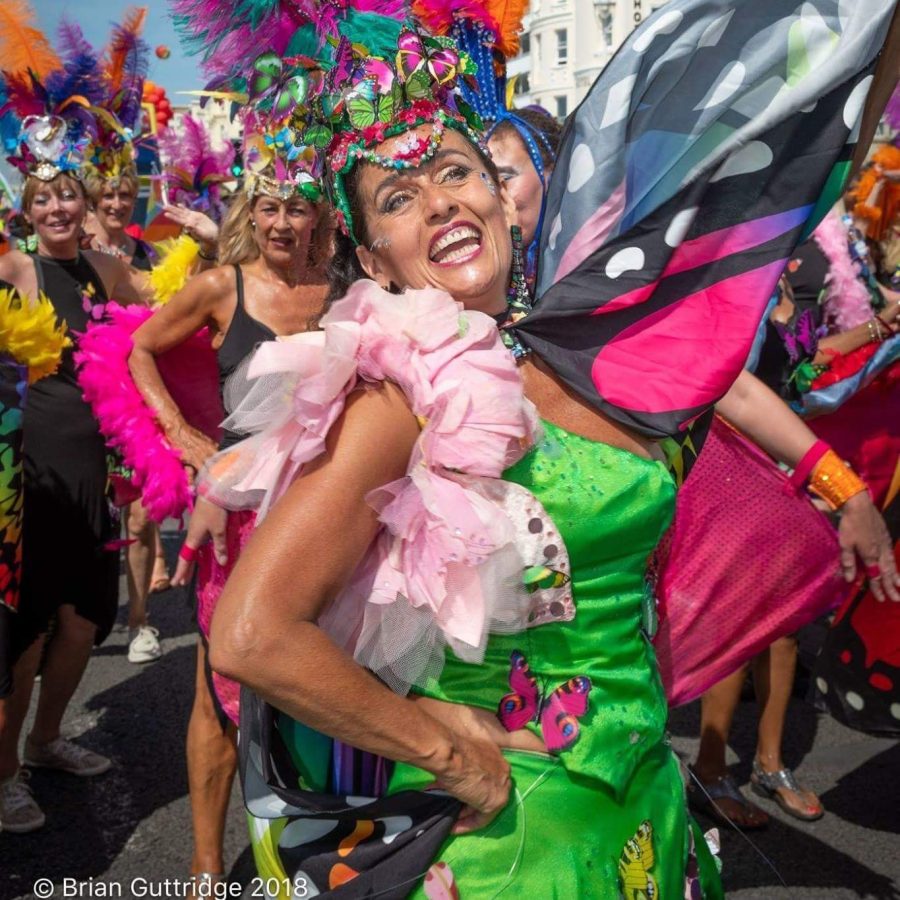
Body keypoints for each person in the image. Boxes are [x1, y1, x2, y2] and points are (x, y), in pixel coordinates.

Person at [172, 2, 897, 894]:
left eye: (454, 172)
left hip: (638, 798)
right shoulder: (400, 398)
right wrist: (444, 750)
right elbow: (252, 634)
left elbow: (803, 156)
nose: (438, 201)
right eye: (399, 199)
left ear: (505, 195)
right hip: (512, 838)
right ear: (376, 261)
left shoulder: (578, 340)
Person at [126, 110, 330, 885]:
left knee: (317, 679)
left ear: (319, 215)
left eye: (298, 206)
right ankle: (208, 861)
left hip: (321, 514)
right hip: (239, 521)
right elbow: (140, 348)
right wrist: (179, 432)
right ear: (252, 209)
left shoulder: (341, 290)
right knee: (221, 683)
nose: (282, 222)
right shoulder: (221, 287)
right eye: (269, 205)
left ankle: (309, 834)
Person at [0, 18, 151, 830]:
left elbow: (159, 331)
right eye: (44, 195)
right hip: (35, 472)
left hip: (100, 466)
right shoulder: (14, 267)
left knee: (82, 623)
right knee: (25, 630)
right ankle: (6, 768)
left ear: (85, 204)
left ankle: (52, 739)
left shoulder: (106, 268)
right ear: (27, 208)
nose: (58, 205)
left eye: (68, 194)